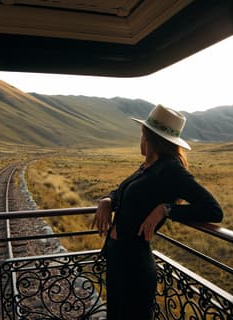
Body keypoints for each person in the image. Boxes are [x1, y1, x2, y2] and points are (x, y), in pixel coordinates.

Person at [92, 104, 223, 320]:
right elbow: (122, 192)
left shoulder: (171, 170)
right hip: (117, 256)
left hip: (135, 266)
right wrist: (107, 199)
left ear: (151, 138)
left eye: (142, 135)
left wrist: (166, 209)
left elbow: (213, 210)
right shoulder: (147, 165)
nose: (140, 139)